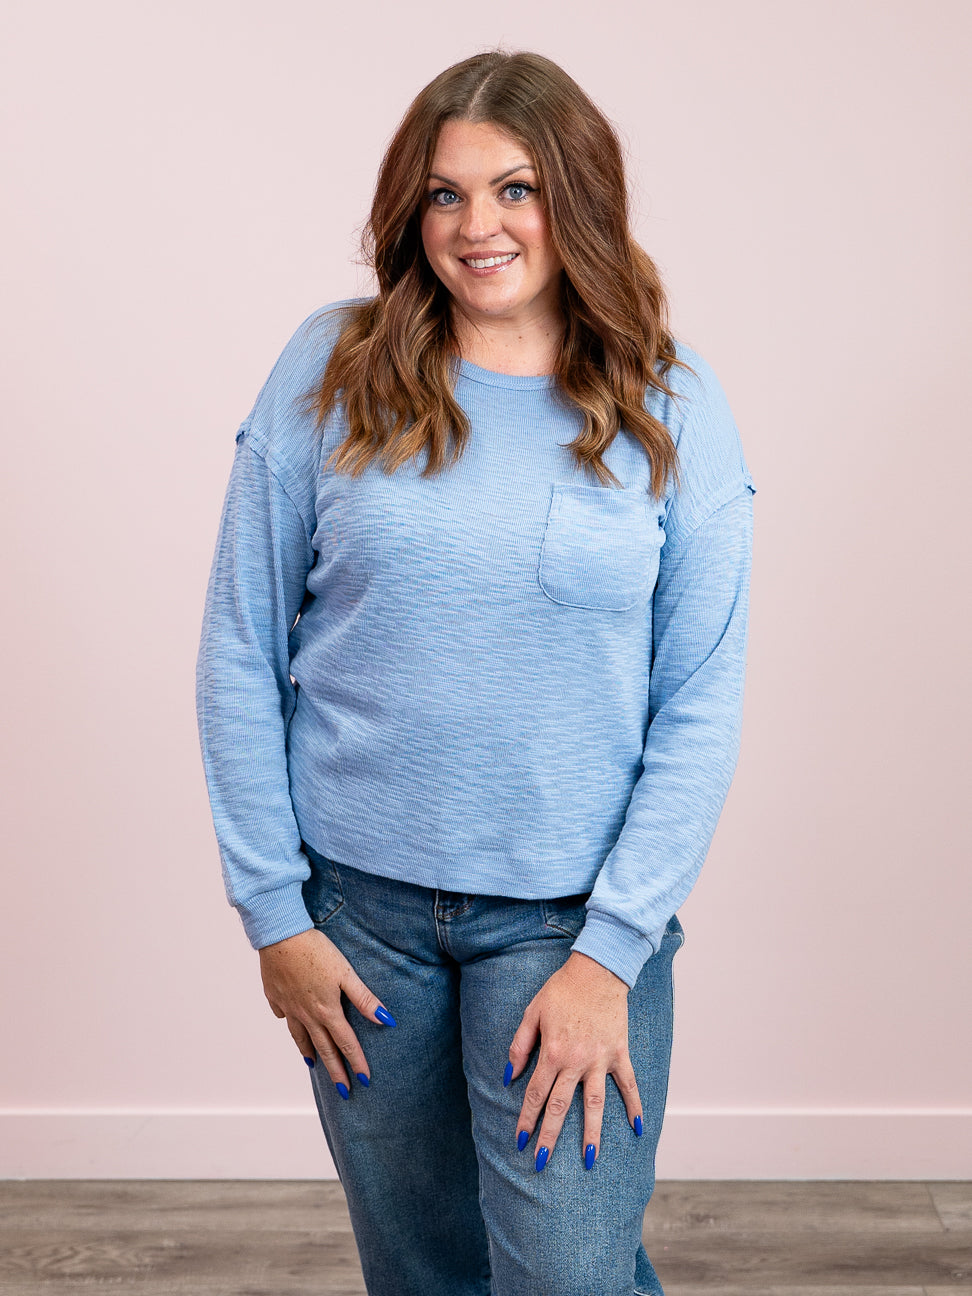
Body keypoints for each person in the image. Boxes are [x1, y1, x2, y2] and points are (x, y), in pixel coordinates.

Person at [195, 47, 756, 1296]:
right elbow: (240, 643)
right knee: (423, 1272)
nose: (476, 226)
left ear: (578, 199)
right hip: (358, 921)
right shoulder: (331, 368)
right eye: (444, 194)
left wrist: (610, 954)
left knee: (568, 1274)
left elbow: (699, 702)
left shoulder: (671, 402)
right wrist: (275, 916)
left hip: (566, 925)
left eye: (516, 189)